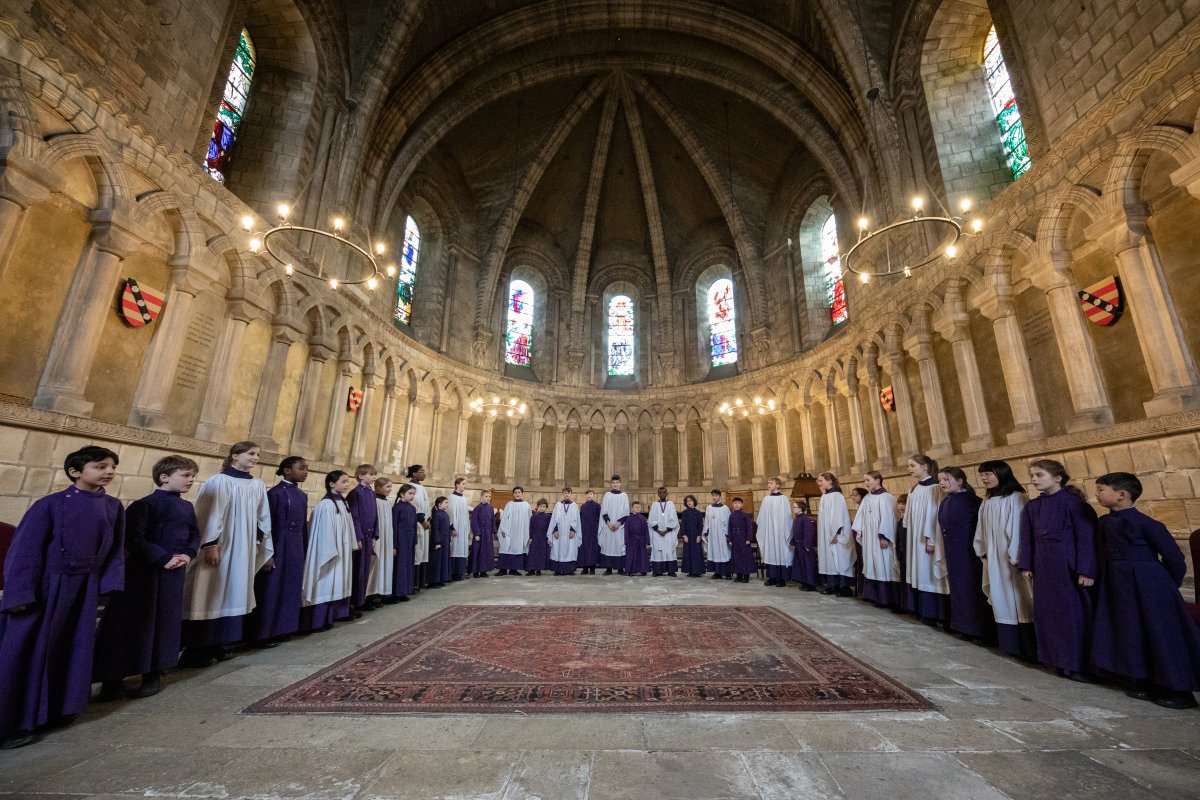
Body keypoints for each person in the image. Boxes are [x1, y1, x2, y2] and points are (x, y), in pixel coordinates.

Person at [0, 446, 124, 750]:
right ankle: (15, 722)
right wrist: (20, 593)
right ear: (75, 471)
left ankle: (59, 708)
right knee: (29, 652)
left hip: (84, 589)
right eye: (100, 466)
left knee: (72, 648)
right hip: (47, 588)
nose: (108, 472)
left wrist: (107, 585)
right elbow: (24, 553)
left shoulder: (113, 506)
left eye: (111, 467)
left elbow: (117, 549)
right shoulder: (49, 506)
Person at [94, 455, 200, 701]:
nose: (191, 480)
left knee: (164, 622)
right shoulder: (144, 505)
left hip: (174, 573)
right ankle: (113, 678)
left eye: (192, 476)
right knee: (132, 623)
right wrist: (162, 558)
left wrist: (187, 554)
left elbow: (194, 534)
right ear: (164, 477)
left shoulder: (187, 507)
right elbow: (134, 538)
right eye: (185, 475)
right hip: (144, 574)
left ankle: (153, 672)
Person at [1091, 472, 1200, 709]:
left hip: (1150, 584)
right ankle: (1143, 680)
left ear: (1122, 494)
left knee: (1160, 634)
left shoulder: (1147, 523)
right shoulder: (1104, 522)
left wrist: (1166, 586)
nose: (1096, 494)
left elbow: (1174, 558)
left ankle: (1178, 689)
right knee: (1131, 631)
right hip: (1117, 584)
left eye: (1101, 490)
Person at [181, 441, 273, 667]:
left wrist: (260, 542)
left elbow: (264, 516)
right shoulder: (219, 481)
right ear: (235, 455)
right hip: (220, 546)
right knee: (209, 591)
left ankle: (220, 642)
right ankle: (197, 647)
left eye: (257, 454)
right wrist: (210, 544)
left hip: (244, 546)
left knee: (233, 592)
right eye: (251, 453)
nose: (255, 458)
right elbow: (208, 514)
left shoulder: (257, 484)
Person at [1019, 458, 1098, 681]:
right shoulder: (1033, 506)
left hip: (1068, 566)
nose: (1034, 479)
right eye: (1032, 475)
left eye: (1039, 475)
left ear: (1057, 477)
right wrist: (1026, 564)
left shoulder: (1074, 504)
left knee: (1072, 615)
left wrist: (1086, 570)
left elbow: (1086, 539)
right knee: (1048, 614)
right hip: (1043, 566)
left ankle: (1078, 664)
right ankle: (1056, 660)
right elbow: (1027, 538)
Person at [973, 460, 1035, 660]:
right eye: (982, 475)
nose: (984, 478)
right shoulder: (987, 501)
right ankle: (1009, 645)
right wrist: (982, 551)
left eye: (988, 474)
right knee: (1002, 601)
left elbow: (1019, 529)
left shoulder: (1017, 498)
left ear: (1001, 473)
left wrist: (1016, 556)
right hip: (993, 558)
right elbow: (980, 530)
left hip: (1012, 560)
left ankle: (1026, 647)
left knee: (1020, 600)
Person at [247, 456, 308, 646]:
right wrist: (268, 553)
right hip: (278, 545)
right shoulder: (275, 494)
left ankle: (284, 628)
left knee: (290, 587)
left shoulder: (301, 495)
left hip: (295, 546)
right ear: (287, 470)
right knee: (272, 588)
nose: (305, 472)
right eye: (301, 468)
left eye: (306, 468)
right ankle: (264, 633)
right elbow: (268, 525)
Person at [938, 467, 993, 643]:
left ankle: (978, 629)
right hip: (952, 552)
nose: (942, 483)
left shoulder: (972, 502)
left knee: (971, 588)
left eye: (946, 479)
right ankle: (962, 626)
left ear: (960, 480)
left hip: (969, 553)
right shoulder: (945, 502)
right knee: (958, 590)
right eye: (940, 480)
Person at [300, 471, 357, 631]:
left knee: (335, 584)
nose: (347, 485)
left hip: (340, 550)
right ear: (332, 484)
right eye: (344, 482)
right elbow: (324, 533)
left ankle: (330, 618)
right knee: (325, 583)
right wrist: (331, 550)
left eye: (348, 482)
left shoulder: (342, 503)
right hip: (329, 552)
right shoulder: (326, 505)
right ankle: (317, 621)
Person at [904, 454, 948, 623]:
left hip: (929, 539)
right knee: (919, 572)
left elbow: (936, 516)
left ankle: (935, 613)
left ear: (925, 467)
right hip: (916, 539)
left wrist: (931, 540)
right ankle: (921, 609)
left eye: (912, 465)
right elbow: (908, 518)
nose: (909, 469)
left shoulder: (937, 488)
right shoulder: (913, 489)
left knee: (930, 574)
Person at [852, 471, 899, 608]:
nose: (866, 483)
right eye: (865, 481)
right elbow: (860, 517)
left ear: (878, 480)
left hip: (881, 539)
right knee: (872, 565)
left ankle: (885, 598)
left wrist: (884, 536)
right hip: (869, 538)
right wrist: (860, 532)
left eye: (868, 480)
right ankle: (873, 596)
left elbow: (889, 518)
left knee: (883, 565)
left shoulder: (887, 498)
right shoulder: (867, 498)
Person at [346, 464, 379, 612]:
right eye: (371, 474)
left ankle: (361, 600)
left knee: (365, 570)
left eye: (374, 474)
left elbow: (375, 515)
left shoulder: (371, 493)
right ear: (360, 476)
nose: (374, 477)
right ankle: (353, 603)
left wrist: (375, 534)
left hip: (369, 536)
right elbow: (355, 516)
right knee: (357, 570)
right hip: (360, 537)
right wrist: (357, 536)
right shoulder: (355, 493)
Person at [817, 472, 854, 597]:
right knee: (829, 560)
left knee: (839, 559)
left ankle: (843, 586)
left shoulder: (837, 496)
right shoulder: (824, 497)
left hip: (836, 535)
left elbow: (839, 516)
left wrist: (835, 533)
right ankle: (832, 585)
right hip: (826, 534)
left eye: (821, 480)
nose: (819, 483)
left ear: (829, 481)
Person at [756, 477, 793, 587]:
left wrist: (783, 530)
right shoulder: (766, 499)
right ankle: (772, 577)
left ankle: (782, 578)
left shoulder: (783, 499)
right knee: (770, 552)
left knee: (780, 552)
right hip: (769, 532)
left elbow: (787, 516)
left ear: (777, 485)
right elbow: (761, 517)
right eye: (768, 483)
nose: (769, 484)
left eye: (771, 483)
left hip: (780, 532)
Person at [368, 477, 396, 602]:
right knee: (375, 565)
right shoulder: (374, 501)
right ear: (378, 487)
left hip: (387, 538)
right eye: (388, 487)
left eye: (391, 487)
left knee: (386, 563)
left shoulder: (388, 502)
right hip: (378, 537)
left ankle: (383, 592)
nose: (390, 489)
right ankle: (372, 594)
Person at [391, 483, 417, 601]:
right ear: (402, 494)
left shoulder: (412, 508)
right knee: (400, 566)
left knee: (408, 565)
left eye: (413, 494)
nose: (412, 496)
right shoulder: (397, 508)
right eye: (410, 493)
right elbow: (394, 527)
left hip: (409, 540)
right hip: (401, 539)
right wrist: (394, 544)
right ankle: (397, 592)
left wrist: (414, 540)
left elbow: (414, 526)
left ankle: (406, 590)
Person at [497, 487, 531, 576]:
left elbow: (529, 519)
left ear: (522, 494)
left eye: (519, 492)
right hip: (509, 531)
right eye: (515, 492)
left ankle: (513, 570)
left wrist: (528, 533)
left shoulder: (526, 505)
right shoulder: (509, 504)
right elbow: (504, 518)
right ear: (513, 494)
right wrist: (503, 530)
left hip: (520, 532)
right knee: (505, 548)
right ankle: (502, 570)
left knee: (517, 549)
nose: (517, 494)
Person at [599, 475, 629, 575]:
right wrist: (608, 523)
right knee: (608, 546)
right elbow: (604, 510)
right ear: (611, 484)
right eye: (613, 482)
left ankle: (620, 568)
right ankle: (609, 568)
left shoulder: (624, 495)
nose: (615, 484)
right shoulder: (607, 495)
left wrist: (619, 523)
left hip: (620, 526)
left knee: (620, 546)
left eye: (617, 482)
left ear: (620, 483)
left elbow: (626, 511)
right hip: (609, 526)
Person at [406, 465, 430, 588]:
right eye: (421, 472)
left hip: (424, 524)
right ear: (414, 474)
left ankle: (421, 581)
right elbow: (415, 505)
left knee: (423, 551)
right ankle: (414, 584)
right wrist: (422, 519)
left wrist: (428, 518)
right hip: (418, 523)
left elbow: (426, 504)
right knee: (418, 551)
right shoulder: (411, 487)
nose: (424, 474)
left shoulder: (421, 487)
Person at [548, 487, 582, 575]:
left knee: (570, 549)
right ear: (562, 494)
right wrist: (555, 530)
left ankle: (569, 570)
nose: (567, 494)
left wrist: (573, 530)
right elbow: (554, 518)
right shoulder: (558, 505)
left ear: (571, 494)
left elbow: (576, 519)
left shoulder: (574, 505)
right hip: (559, 531)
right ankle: (558, 570)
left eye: (568, 493)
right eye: (565, 493)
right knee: (558, 549)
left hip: (569, 531)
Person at [648, 487, 680, 577]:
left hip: (668, 533)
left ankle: (671, 571)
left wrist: (666, 531)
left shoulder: (670, 504)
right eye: (660, 493)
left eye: (664, 492)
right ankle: (657, 571)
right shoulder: (654, 504)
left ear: (667, 494)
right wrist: (658, 531)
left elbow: (674, 519)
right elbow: (651, 519)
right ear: (658, 494)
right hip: (657, 533)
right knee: (657, 551)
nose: (662, 494)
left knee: (669, 551)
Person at [703, 489, 733, 579]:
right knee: (715, 552)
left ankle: (727, 572)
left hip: (722, 534)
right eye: (713, 495)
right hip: (713, 534)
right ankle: (717, 573)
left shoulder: (725, 508)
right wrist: (707, 533)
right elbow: (707, 521)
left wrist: (728, 535)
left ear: (720, 496)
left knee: (725, 552)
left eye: (716, 495)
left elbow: (728, 522)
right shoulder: (709, 508)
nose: (714, 497)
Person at [790, 499, 818, 591]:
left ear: (800, 509)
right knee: (801, 565)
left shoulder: (805, 519)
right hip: (799, 546)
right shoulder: (796, 519)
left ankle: (810, 584)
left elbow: (809, 533)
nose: (793, 509)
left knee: (808, 565)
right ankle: (805, 582)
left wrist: (807, 545)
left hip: (805, 546)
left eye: (795, 507)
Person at [728, 497, 756, 583]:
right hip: (735, 539)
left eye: (738, 503)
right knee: (736, 557)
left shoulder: (745, 515)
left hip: (744, 539)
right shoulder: (731, 515)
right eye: (735, 503)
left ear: (742, 504)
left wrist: (748, 538)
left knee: (745, 557)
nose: (737, 505)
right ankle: (739, 575)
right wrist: (730, 539)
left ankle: (746, 576)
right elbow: (729, 528)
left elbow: (749, 528)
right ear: (733, 505)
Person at [447, 478, 471, 581]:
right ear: (457, 484)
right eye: (463, 484)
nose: (465, 486)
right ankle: (453, 572)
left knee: (462, 548)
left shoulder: (464, 499)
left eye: (465, 484)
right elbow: (450, 514)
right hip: (455, 528)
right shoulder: (451, 498)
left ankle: (460, 571)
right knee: (455, 548)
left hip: (463, 528)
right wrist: (451, 528)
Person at [470, 489, 496, 577]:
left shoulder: (491, 508)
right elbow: (474, 522)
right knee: (478, 552)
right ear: (481, 497)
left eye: (489, 497)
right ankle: (476, 571)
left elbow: (493, 520)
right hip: (480, 534)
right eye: (486, 496)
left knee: (486, 552)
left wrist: (493, 532)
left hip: (488, 534)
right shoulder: (477, 508)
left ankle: (483, 571)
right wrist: (476, 533)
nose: (488, 498)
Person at [679, 495, 706, 577]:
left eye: (690, 501)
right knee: (688, 553)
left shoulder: (698, 513)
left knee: (696, 553)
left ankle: (697, 571)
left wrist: (699, 536)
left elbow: (700, 525)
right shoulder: (684, 513)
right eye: (687, 501)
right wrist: (684, 535)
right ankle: (690, 571)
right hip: (688, 536)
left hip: (695, 536)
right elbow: (683, 525)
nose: (689, 502)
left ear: (694, 501)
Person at [428, 496, 452, 587]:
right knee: (436, 561)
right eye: (445, 503)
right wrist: (437, 542)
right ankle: (434, 581)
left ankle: (441, 578)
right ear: (439, 504)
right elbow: (435, 529)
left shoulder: (445, 514)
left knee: (443, 560)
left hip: (445, 541)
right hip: (439, 541)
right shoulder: (437, 514)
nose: (447, 504)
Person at [623, 501, 650, 576]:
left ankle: (643, 570)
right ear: (632, 508)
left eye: (639, 507)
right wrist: (626, 540)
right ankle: (630, 570)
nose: (638, 508)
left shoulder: (643, 518)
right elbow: (626, 530)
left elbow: (646, 530)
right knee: (631, 556)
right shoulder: (628, 518)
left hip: (641, 540)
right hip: (631, 540)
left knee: (642, 556)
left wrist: (647, 540)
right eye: (636, 507)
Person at [577, 489, 601, 575]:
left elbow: (600, 518)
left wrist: (597, 528)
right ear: (585, 496)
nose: (589, 496)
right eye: (587, 494)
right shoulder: (583, 506)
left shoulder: (597, 506)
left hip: (594, 530)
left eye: (591, 494)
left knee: (593, 549)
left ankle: (592, 568)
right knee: (584, 549)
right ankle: (585, 568)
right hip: (584, 530)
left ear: (593, 495)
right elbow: (580, 518)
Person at [526, 499, 551, 575]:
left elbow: (549, 528)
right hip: (535, 537)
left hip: (543, 538)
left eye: (544, 506)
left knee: (541, 554)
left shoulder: (548, 517)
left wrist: (548, 538)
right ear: (537, 507)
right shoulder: (534, 516)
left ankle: (538, 570)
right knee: (533, 554)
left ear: (546, 507)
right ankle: (531, 569)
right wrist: (530, 537)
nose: (542, 508)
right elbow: (531, 527)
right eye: (540, 506)